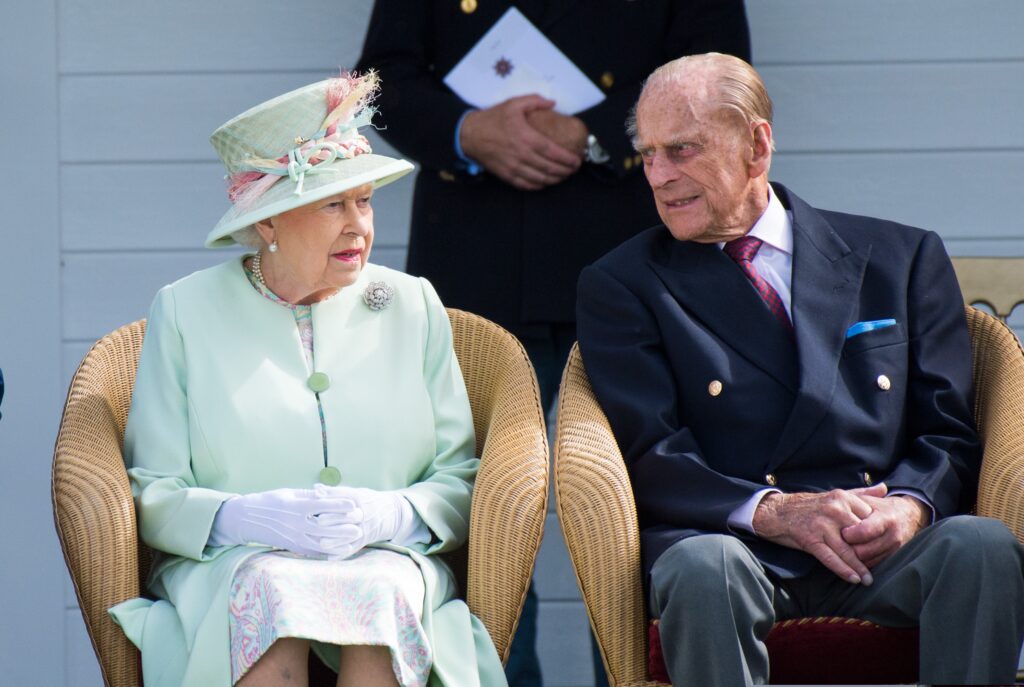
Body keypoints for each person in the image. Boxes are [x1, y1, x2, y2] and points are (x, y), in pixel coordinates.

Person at [576, 53, 1024, 686]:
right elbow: (649, 452)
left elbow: (949, 429)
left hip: (885, 543)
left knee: (981, 547)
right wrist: (775, 511)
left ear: (756, 145)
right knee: (699, 568)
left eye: (681, 149)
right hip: (741, 548)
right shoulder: (623, 285)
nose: (658, 175)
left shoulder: (899, 258)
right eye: (648, 154)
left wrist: (909, 507)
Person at [356, 4, 750, 684]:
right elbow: (382, 78)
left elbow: (720, 76)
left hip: (636, 257)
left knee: (644, 509)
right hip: (473, 260)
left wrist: (600, 132)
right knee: (479, 516)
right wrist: (464, 130)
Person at [107, 73, 507, 687]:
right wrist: (245, 519)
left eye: (365, 200)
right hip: (233, 565)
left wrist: (391, 516)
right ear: (267, 223)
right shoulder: (185, 311)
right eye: (332, 204)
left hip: (388, 560)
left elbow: (461, 481)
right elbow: (154, 491)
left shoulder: (411, 303)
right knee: (271, 591)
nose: (359, 227)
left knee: (378, 589)